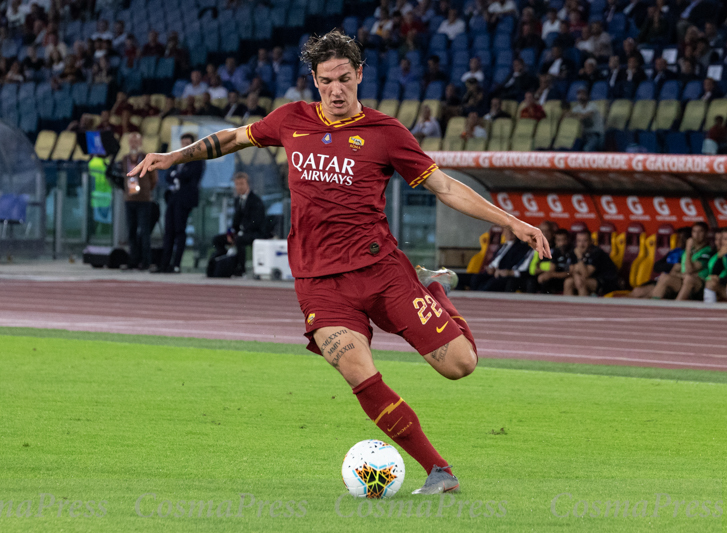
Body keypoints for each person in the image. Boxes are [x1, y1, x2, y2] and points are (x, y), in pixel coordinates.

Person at [128, 29, 550, 495]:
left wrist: (510, 221)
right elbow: (232, 138)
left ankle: (434, 292)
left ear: (360, 75)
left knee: (460, 365)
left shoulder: (387, 134)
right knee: (358, 371)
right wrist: (173, 156)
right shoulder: (291, 119)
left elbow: (445, 187)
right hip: (319, 284)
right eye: (327, 80)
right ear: (314, 79)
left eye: (345, 79)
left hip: (382, 272)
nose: (336, 89)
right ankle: (439, 471)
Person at [156, 133, 205, 274]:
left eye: (187, 143)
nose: (185, 145)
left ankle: (176, 264)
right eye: (183, 143)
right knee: (169, 231)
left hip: (184, 199)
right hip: (173, 197)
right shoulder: (177, 157)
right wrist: (177, 176)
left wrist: (177, 176)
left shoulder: (198, 159)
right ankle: (165, 264)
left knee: (179, 230)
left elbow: (189, 176)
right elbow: (168, 174)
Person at [210, 172, 267, 276]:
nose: (239, 187)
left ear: (248, 184)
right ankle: (224, 263)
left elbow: (256, 221)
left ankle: (242, 269)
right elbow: (235, 221)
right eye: (237, 184)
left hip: (255, 232)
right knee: (217, 239)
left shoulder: (255, 200)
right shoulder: (237, 200)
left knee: (239, 240)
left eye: (242, 184)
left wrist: (240, 232)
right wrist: (229, 233)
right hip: (241, 232)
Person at [650, 221, 713, 300]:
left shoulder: (708, 251)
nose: (697, 235)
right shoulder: (688, 252)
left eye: (700, 231)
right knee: (664, 277)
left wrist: (688, 249)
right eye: (694, 231)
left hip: (699, 286)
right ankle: (654, 304)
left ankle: (676, 307)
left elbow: (689, 270)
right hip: (684, 281)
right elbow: (680, 270)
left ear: (706, 233)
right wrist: (678, 274)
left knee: (689, 279)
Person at [122, 133, 158, 271]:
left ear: (140, 143)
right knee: (131, 231)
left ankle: (146, 261)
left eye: (136, 141)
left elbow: (154, 179)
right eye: (131, 141)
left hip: (144, 200)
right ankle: (133, 260)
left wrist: (146, 190)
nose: (133, 144)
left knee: (144, 231)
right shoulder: (124, 159)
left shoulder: (147, 158)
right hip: (130, 199)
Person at [630, 227, 689, 298]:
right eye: (679, 237)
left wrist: (672, 268)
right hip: (661, 280)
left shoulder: (689, 253)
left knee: (647, 294)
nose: (680, 240)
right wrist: (672, 267)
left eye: (683, 238)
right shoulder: (674, 252)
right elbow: (657, 266)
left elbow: (681, 268)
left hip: (675, 283)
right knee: (637, 291)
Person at [470, 227, 534, 291]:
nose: (508, 233)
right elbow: (495, 260)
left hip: (505, 275)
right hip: (494, 272)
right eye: (506, 231)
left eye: (511, 231)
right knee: (475, 278)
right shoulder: (502, 246)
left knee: (489, 285)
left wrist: (501, 271)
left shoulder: (521, 248)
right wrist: (490, 268)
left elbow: (513, 266)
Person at [563, 229, 620, 296]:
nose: (581, 244)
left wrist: (579, 258)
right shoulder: (574, 252)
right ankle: (568, 306)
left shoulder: (597, 253)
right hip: (588, 280)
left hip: (607, 282)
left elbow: (586, 274)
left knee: (581, 282)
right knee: (568, 282)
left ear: (591, 241)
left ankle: (583, 306)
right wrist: (576, 275)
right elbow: (570, 271)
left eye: (585, 241)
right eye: (579, 241)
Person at [533, 228, 573, 294]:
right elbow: (552, 269)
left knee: (568, 281)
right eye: (559, 240)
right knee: (541, 278)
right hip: (557, 277)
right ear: (556, 241)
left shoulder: (572, 252)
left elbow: (571, 273)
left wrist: (552, 274)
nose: (562, 243)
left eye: (564, 240)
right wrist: (548, 274)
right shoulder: (555, 252)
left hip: (567, 277)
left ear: (568, 240)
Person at [704, 227, 727, 303]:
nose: (722, 242)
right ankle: (709, 311)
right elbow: (714, 272)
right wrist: (720, 256)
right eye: (724, 239)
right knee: (711, 283)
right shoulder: (723, 254)